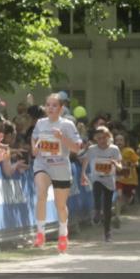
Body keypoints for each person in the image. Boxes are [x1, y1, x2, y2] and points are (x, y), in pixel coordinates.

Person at [31, 92, 82, 252]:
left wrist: (62, 138)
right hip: (43, 164)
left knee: (60, 205)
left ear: (61, 108)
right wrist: (34, 147)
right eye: (48, 105)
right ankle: (40, 233)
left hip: (60, 167)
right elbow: (34, 138)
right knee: (41, 194)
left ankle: (63, 234)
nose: (50, 108)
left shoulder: (67, 125)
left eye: (54, 105)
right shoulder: (40, 123)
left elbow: (77, 148)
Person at [88, 126, 123, 242]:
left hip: (109, 179)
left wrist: (115, 163)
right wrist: (83, 173)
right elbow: (82, 159)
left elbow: (120, 167)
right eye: (99, 138)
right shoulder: (92, 149)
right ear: (95, 139)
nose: (101, 141)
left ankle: (107, 233)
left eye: (104, 138)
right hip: (97, 177)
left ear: (109, 137)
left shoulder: (114, 149)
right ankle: (97, 211)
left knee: (107, 208)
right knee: (97, 188)